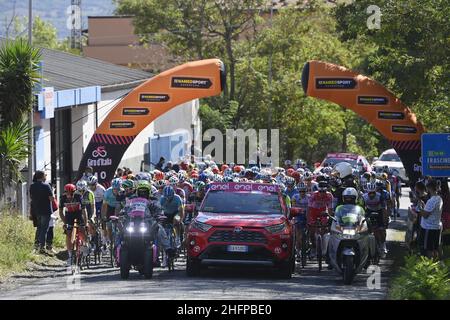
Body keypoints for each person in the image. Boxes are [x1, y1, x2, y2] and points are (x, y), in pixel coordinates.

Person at [59, 183, 88, 265]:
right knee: (68, 233)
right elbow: (61, 212)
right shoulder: (62, 198)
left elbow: (84, 210)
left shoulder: (78, 196)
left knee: (82, 229)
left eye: (71, 193)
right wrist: (65, 223)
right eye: (67, 193)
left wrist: (85, 223)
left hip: (78, 213)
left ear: (74, 192)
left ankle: (85, 244)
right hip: (69, 215)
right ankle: (70, 255)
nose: (69, 195)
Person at [416, 179, 443, 259]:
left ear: (429, 188)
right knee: (435, 248)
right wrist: (424, 207)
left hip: (428, 227)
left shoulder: (431, 200)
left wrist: (420, 208)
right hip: (436, 226)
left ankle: (429, 267)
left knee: (429, 250)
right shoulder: (439, 198)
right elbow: (430, 211)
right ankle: (436, 266)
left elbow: (425, 215)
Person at [29, 171, 55, 254]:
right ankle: (42, 247)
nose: (46, 176)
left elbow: (31, 198)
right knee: (44, 229)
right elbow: (51, 198)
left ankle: (36, 246)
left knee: (39, 228)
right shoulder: (46, 185)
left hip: (36, 210)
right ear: (42, 176)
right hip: (46, 210)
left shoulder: (32, 186)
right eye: (45, 175)